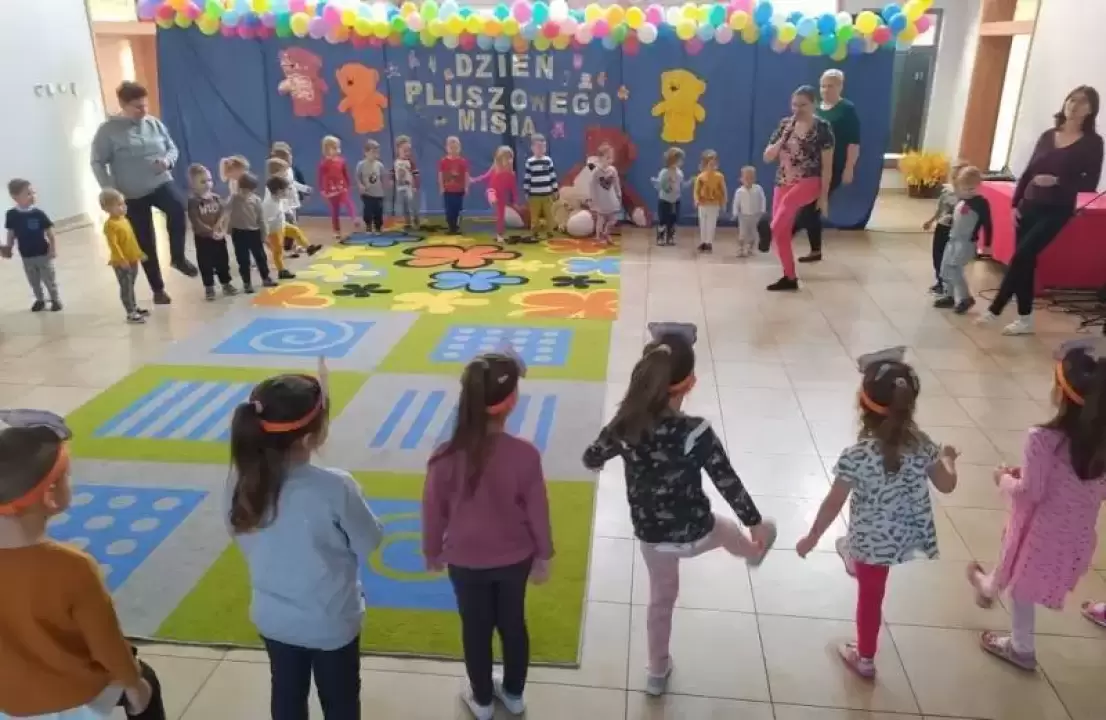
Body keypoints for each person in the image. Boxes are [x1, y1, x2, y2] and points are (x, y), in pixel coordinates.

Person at [582, 334, 776, 697]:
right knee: (729, 530)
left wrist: (604, 457)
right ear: (690, 383)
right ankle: (754, 550)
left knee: (661, 600)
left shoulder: (624, 426)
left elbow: (591, 456)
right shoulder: (696, 432)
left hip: (654, 539)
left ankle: (657, 671)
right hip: (700, 531)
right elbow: (727, 482)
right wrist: (754, 522)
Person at [228, 372, 383, 720]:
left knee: (286, 692)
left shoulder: (240, 484)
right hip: (331, 622)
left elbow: (237, 533)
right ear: (312, 436)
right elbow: (369, 541)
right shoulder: (335, 487)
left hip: (273, 619)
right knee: (341, 701)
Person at [797, 352, 959, 679]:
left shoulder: (857, 456)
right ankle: (850, 555)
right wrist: (949, 459)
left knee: (869, 598)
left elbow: (833, 503)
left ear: (862, 405)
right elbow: (947, 484)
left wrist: (812, 537)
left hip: (871, 543)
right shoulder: (923, 445)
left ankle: (865, 659)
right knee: (871, 586)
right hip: (905, 537)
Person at [0, 410, 166, 720]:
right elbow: (107, 647)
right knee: (146, 680)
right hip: (71, 696)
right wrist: (135, 687)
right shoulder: (72, 567)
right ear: (50, 493)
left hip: (7, 699)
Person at [422, 353, 553, 720]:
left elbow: (432, 511)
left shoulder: (443, 457)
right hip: (515, 559)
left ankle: (480, 700)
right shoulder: (525, 455)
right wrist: (544, 554)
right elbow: (538, 511)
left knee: (475, 628)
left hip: (465, 562)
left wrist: (431, 551)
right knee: (513, 624)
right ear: (511, 402)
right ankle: (513, 694)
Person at [965, 341, 1106, 670]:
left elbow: (1032, 492)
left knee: (1021, 589)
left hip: (1039, 531)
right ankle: (989, 586)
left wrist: (1002, 478)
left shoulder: (1041, 438)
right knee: (1020, 575)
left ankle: (1021, 648)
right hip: (1077, 533)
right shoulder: (1101, 441)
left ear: (1060, 393)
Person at [978, 85, 1105, 335]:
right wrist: (1015, 204)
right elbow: (1029, 170)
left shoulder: (1093, 143)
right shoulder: (1048, 135)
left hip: (1057, 209)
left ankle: (995, 309)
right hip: (1029, 204)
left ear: (1091, 110)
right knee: (1026, 262)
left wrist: (1058, 181)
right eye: (1071, 99)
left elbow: (1090, 183)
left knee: (1022, 256)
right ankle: (1025, 319)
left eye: (1082, 102)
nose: (1074, 106)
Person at [91, 81, 197, 306]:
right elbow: (97, 162)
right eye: (137, 107)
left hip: (160, 182)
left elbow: (172, 148)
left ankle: (178, 257)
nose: (143, 110)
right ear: (123, 105)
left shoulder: (154, 124)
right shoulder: (108, 131)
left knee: (177, 208)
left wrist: (167, 161)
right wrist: (109, 189)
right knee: (145, 241)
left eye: (145, 105)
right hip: (130, 193)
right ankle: (158, 289)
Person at [763, 85, 835, 292]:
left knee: (786, 206)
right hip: (783, 181)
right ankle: (790, 277)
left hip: (809, 181)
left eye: (803, 105)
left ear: (813, 105)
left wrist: (824, 197)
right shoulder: (785, 125)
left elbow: (827, 166)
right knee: (782, 232)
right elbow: (767, 157)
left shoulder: (822, 128)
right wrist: (781, 140)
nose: (797, 109)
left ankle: (767, 231)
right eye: (794, 105)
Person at [794, 69, 861, 264]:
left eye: (830, 86)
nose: (825, 90)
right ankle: (815, 250)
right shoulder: (817, 109)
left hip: (834, 167)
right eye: (823, 86)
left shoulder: (847, 109)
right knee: (812, 208)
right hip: (811, 166)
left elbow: (854, 142)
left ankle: (781, 233)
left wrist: (849, 167)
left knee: (811, 207)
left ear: (840, 86)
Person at [934, 166, 993, 315]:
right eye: (964, 189)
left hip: (966, 242)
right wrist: (950, 220)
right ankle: (949, 295)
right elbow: (959, 218)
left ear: (978, 186)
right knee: (945, 267)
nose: (968, 192)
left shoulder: (980, 203)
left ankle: (966, 298)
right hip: (952, 239)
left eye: (971, 189)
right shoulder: (961, 200)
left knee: (955, 269)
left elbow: (988, 224)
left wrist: (987, 244)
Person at [3, 179, 61, 312]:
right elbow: (11, 233)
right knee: (33, 280)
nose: (33, 196)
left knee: (49, 278)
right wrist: (8, 247)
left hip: (43, 254)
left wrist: (53, 249)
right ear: (15, 197)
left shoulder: (39, 214)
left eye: (33, 192)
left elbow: (50, 233)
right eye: (28, 193)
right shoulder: (11, 215)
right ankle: (40, 300)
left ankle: (55, 299)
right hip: (26, 255)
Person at [187, 164, 238, 302]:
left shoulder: (216, 198)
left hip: (219, 238)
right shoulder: (194, 202)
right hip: (203, 239)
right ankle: (209, 287)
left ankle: (226, 283)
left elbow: (224, 214)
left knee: (223, 261)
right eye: (202, 181)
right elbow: (196, 221)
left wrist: (222, 230)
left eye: (209, 180)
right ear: (193, 184)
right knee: (206, 264)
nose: (207, 184)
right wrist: (210, 232)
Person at [100, 188, 149, 324]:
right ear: (106, 208)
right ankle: (130, 312)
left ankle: (134, 307)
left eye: (123, 204)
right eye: (118, 205)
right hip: (121, 262)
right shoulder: (110, 225)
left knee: (131, 285)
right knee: (126, 287)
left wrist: (139, 253)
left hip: (132, 259)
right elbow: (114, 245)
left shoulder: (124, 220)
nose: (123, 207)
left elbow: (131, 240)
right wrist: (121, 259)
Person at [923, 160, 966, 295]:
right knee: (937, 255)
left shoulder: (965, 197)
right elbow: (940, 209)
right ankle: (939, 282)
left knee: (948, 258)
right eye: (953, 175)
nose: (954, 178)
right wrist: (931, 221)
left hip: (954, 230)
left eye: (957, 176)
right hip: (941, 226)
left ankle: (948, 285)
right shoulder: (946, 191)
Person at [227, 173, 275, 294]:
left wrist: (264, 235)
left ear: (252, 190)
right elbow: (226, 212)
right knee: (243, 260)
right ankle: (247, 283)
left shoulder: (256, 200)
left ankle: (266, 278)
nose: (245, 193)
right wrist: (228, 228)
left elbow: (261, 219)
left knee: (261, 257)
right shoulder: (234, 198)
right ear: (239, 187)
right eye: (242, 190)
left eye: (248, 191)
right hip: (238, 233)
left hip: (254, 232)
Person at [265, 158, 321, 258]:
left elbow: (290, 188)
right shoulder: (271, 187)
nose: (286, 173)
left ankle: (309, 248)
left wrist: (304, 189)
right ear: (276, 172)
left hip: (284, 214)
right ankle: (283, 253)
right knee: (280, 239)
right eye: (284, 171)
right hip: (276, 221)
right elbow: (273, 202)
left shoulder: (282, 181)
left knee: (295, 230)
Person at [473, 147, 518, 243]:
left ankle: (499, 235)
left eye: (510, 158)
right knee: (492, 192)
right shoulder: (494, 169)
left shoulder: (511, 175)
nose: (508, 160)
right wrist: (474, 180)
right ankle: (493, 199)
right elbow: (485, 177)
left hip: (501, 198)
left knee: (500, 217)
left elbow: (513, 189)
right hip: (491, 191)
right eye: (505, 158)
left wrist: (515, 201)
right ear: (499, 159)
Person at [318, 136, 357, 239]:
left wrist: (348, 184)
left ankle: (354, 218)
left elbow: (345, 173)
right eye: (334, 148)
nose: (337, 150)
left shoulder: (341, 161)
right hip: (331, 190)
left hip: (342, 187)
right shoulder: (324, 164)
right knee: (335, 211)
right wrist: (322, 190)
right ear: (327, 149)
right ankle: (336, 230)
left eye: (338, 147)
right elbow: (321, 177)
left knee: (348, 202)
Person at [262, 176, 298, 281]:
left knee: (279, 250)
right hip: (273, 231)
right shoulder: (269, 204)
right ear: (279, 191)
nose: (288, 191)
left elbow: (279, 214)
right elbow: (265, 221)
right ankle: (281, 271)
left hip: (279, 227)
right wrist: (265, 237)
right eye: (287, 189)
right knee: (277, 251)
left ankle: (282, 270)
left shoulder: (278, 200)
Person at [523, 133, 558, 240]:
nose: (541, 149)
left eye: (543, 146)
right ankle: (534, 232)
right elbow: (527, 178)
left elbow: (552, 176)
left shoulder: (548, 160)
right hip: (534, 195)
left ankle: (550, 232)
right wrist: (526, 191)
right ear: (532, 148)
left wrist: (555, 189)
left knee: (550, 214)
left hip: (547, 194)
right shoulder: (530, 162)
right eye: (538, 147)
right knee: (534, 216)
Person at [692, 150, 726, 254]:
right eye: (710, 163)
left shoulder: (719, 177)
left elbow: (723, 190)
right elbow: (696, 190)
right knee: (703, 223)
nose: (712, 166)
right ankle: (703, 241)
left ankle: (709, 242)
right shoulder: (701, 177)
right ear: (705, 164)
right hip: (703, 204)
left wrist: (723, 202)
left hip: (714, 204)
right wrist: (696, 200)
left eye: (714, 163)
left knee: (711, 224)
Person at [589, 142, 622, 245]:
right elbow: (592, 185)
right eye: (607, 158)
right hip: (601, 200)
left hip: (611, 199)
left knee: (613, 219)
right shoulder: (596, 172)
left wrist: (619, 193)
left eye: (611, 158)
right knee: (600, 220)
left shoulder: (612, 170)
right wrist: (593, 199)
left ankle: (606, 233)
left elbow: (616, 183)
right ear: (600, 158)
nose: (610, 160)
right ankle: (598, 237)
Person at [652, 148, 685, 247]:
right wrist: (666, 187)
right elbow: (661, 185)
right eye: (680, 159)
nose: (681, 162)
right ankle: (660, 237)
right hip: (664, 200)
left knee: (673, 220)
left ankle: (670, 237)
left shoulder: (679, 173)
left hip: (675, 200)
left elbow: (681, 185)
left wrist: (689, 182)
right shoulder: (664, 172)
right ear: (673, 160)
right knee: (663, 219)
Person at [732, 165, 766, 258]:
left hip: (755, 215)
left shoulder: (758, 189)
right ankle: (741, 249)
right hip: (743, 216)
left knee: (753, 234)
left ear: (755, 179)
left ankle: (750, 248)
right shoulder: (739, 191)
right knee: (742, 234)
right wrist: (735, 213)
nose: (749, 180)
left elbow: (762, 199)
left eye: (751, 178)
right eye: (746, 178)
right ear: (741, 179)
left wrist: (762, 210)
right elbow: (736, 203)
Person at [438, 136, 470, 235]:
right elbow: (440, 175)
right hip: (448, 190)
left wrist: (466, 187)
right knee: (449, 209)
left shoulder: (462, 161)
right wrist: (441, 187)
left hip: (459, 190)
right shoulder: (443, 161)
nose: (453, 150)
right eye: (451, 148)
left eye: (455, 148)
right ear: (447, 148)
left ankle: (455, 226)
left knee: (457, 209)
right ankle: (451, 226)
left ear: (459, 148)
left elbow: (466, 175)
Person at [357, 139, 387, 235]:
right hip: (367, 193)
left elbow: (383, 177)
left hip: (378, 194)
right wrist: (360, 185)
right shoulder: (361, 165)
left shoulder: (380, 165)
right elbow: (358, 177)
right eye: (373, 152)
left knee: (378, 211)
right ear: (366, 152)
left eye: (377, 152)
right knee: (368, 211)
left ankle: (378, 227)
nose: (375, 154)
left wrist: (385, 187)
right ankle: (368, 225)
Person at [393, 135, 421, 229]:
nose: (407, 153)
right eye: (404, 151)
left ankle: (416, 218)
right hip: (400, 187)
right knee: (404, 205)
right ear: (398, 150)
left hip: (410, 187)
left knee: (412, 204)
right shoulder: (396, 162)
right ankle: (407, 221)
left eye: (408, 150)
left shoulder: (410, 162)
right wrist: (391, 180)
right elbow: (393, 172)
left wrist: (416, 184)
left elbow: (416, 173)